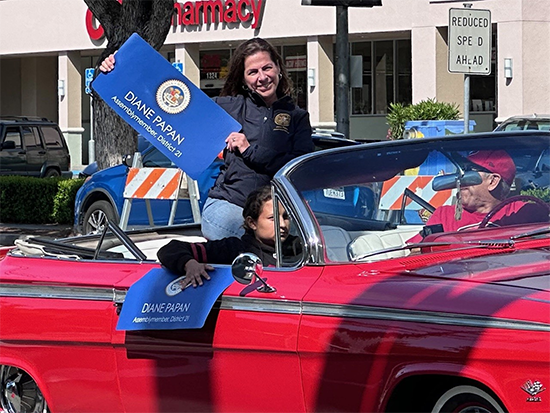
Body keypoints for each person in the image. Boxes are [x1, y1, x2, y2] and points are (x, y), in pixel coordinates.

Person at [99, 38, 314, 240]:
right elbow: (169, 101)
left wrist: (249, 150)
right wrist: (121, 66)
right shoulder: (228, 108)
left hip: (277, 212)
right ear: (244, 79)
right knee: (259, 239)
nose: (262, 77)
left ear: (278, 68)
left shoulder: (297, 117)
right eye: (253, 72)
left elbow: (300, 168)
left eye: (267, 68)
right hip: (230, 206)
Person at [157, 186, 302, 287]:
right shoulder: (234, 249)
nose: (282, 224)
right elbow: (170, 249)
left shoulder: (300, 248)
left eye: (286, 217)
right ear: (252, 223)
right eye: (273, 218)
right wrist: (189, 264)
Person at [408, 149, 548, 243]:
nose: (461, 178)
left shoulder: (526, 213)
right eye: (461, 170)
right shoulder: (444, 216)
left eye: (469, 171)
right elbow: (414, 254)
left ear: (493, 181)